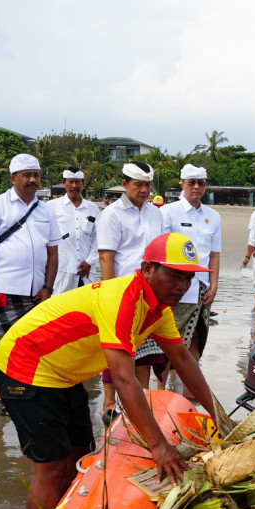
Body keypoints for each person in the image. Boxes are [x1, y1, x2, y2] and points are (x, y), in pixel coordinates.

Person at [0, 233, 219, 509]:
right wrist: (159, 447)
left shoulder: (158, 309)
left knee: (81, 454)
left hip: (64, 373)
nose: (183, 286)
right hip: (25, 364)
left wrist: (217, 415)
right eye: (175, 275)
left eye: (189, 278)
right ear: (147, 268)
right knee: (52, 468)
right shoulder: (123, 299)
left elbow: (184, 360)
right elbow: (125, 381)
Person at [0, 154, 60, 416]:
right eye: (26, 175)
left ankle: (28, 392)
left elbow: (53, 253)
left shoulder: (46, 210)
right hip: (4, 288)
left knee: (36, 342)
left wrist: (48, 287)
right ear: (13, 178)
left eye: (36, 175)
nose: (33, 180)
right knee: (3, 341)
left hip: (37, 292)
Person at [95, 161, 166, 421]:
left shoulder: (155, 213)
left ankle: (141, 406)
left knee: (145, 353)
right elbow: (106, 258)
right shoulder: (111, 214)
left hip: (149, 296)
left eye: (148, 185)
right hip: (120, 292)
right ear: (124, 184)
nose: (145, 190)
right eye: (139, 185)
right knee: (117, 352)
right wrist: (110, 296)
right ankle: (109, 406)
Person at [161, 164, 221, 363]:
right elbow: (162, 252)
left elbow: (214, 255)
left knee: (196, 340)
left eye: (201, 183)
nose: (196, 187)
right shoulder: (168, 212)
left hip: (201, 290)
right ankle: (161, 390)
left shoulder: (213, 216)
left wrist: (214, 286)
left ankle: (189, 391)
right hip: (173, 289)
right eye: (191, 182)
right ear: (182, 184)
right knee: (166, 344)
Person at [49, 167, 99, 295]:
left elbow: (98, 238)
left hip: (87, 270)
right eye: (70, 182)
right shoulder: (52, 206)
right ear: (64, 183)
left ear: (82, 183)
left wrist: (89, 261)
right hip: (62, 268)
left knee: (86, 307)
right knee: (59, 307)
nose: (74, 186)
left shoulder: (92, 208)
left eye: (78, 182)